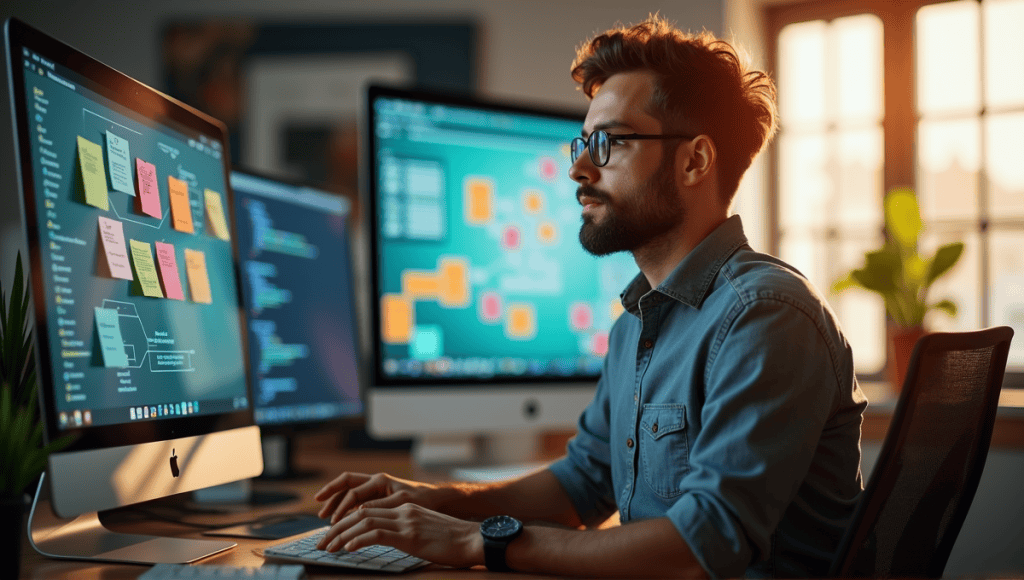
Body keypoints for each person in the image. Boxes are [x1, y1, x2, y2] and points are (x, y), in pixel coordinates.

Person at [314, 15, 867, 578]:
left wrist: (478, 543)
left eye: (609, 143)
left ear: (694, 161)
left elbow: (702, 547)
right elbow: (582, 484)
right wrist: (436, 502)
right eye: (584, 142)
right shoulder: (638, 321)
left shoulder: (766, 315)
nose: (578, 168)